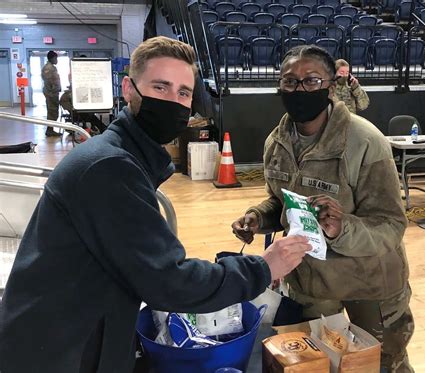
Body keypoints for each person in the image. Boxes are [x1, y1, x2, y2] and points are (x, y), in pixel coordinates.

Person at [0, 36, 311, 373]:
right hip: (58, 350)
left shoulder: (120, 156)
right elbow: (170, 282)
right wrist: (262, 268)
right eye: (160, 87)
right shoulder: (109, 168)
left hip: (75, 330)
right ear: (129, 89)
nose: (173, 102)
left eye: (183, 92)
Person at [232, 45, 414, 373]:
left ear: (331, 87)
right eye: (290, 81)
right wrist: (258, 217)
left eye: (311, 81)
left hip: (369, 282)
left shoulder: (365, 142)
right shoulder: (277, 142)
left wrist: (341, 227)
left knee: (383, 365)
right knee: (318, 364)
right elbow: (281, 201)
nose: (300, 88)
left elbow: (390, 224)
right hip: (314, 283)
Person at [41, 50, 62, 137]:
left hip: (53, 93)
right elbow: (49, 81)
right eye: (56, 58)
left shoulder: (51, 67)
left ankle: (50, 129)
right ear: (52, 58)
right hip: (51, 93)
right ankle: (50, 130)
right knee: (52, 111)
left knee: (53, 111)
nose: (57, 60)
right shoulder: (48, 68)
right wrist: (52, 91)